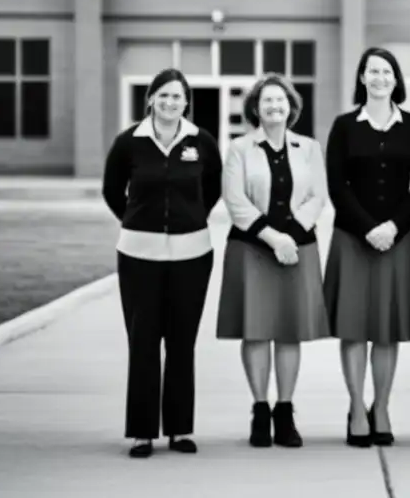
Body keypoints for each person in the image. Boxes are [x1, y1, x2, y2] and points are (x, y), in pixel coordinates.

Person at [101, 68, 222, 459]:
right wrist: (138, 220)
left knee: (181, 343)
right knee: (143, 342)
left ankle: (180, 430)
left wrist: (188, 219)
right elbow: (111, 190)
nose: (170, 102)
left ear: (187, 102)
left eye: (178, 96)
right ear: (150, 98)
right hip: (139, 255)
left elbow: (213, 187)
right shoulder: (129, 142)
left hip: (192, 255)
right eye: (163, 95)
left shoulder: (200, 141)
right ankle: (141, 432)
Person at [323, 47, 410, 448]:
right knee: (353, 328)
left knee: (387, 330)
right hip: (353, 238)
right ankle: (356, 408)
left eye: (386, 71)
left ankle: (381, 406)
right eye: (373, 71)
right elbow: (337, 186)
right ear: (362, 78)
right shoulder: (344, 126)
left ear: (396, 79)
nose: (380, 78)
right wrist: (369, 228)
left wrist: (393, 227)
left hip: (398, 238)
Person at [215, 73, 331, 449]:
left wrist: (291, 236)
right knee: (256, 330)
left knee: (288, 330)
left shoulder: (309, 147)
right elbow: (235, 201)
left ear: (291, 107)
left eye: (280, 101)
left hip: (298, 249)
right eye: (266, 101)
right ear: (255, 108)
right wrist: (273, 237)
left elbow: (317, 196)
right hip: (252, 248)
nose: (274, 107)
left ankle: (285, 411)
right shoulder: (238, 148)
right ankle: (260, 411)